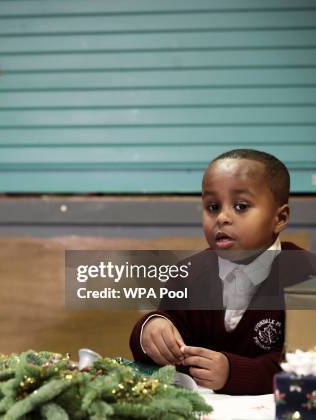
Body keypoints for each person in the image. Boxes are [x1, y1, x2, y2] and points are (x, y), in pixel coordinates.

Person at [129, 149, 316, 395]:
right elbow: (163, 345)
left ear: (280, 218)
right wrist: (150, 330)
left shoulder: (307, 276)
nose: (222, 217)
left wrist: (232, 373)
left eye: (241, 206)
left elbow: (306, 366)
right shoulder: (187, 274)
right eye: (213, 206)